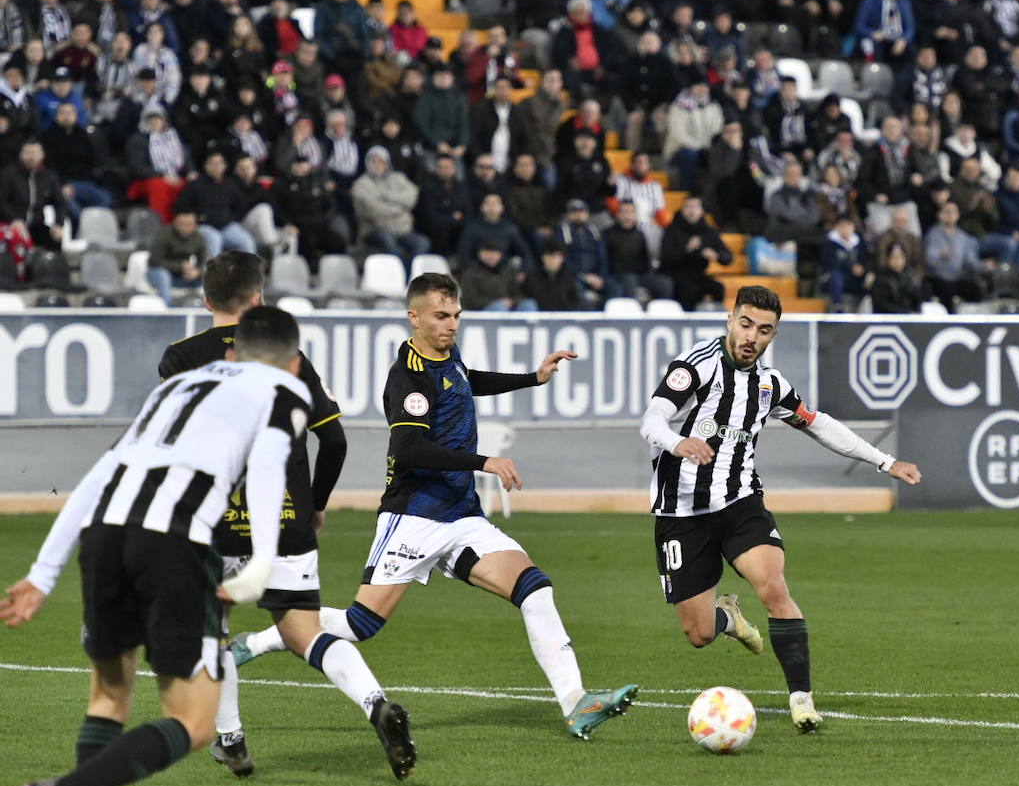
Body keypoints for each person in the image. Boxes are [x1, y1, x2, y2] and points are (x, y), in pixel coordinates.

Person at [228, 273, 639, 739]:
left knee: (534, 588)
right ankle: (259, 641)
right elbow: (408, 449)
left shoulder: (449, 357)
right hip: (414, 516)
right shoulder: (407, 375)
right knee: (359, 624)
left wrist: (534, 378)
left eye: (457, 316)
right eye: (442, 317)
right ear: (415, 317)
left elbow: (467, 383)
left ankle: (576, 702)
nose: (452, 325)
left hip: (461, 516)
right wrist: (484, 461)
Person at [2, 306, 309, 786]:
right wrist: (262, 564)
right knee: (194, 720)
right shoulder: (284, 390)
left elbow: (99, 474)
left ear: (229, 355)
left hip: (104, 536)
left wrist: (43, 573)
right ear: (293, 364)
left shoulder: (177, 386)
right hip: (172, 542)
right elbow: (269, 471)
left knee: (109, 697)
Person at [159, 253, 411, 781]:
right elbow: (334, 440)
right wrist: (315, 503)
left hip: (215, 521)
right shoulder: (287, 354)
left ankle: (232, 742)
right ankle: (376, 703)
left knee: (212, 631)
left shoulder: (179, 358)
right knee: (303, 632)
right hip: (286, 517)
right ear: (258, 298)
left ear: (205, 300)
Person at [638, 284, 921, 734]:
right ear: (730, 320)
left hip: (740, 503)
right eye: (745, 324)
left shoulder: (770, 386)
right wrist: (678, 442)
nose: (752, 337)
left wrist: (884, 461)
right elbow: (652, 419)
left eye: (764, 330)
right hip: (681, 512)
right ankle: (727, 617)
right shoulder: (693, 367)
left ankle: (802, 699)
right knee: (699, 634)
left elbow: (818, 424)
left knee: (773, 587)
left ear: (773, 335)